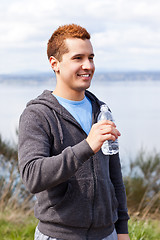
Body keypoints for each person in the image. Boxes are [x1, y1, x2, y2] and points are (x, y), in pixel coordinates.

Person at [18, 24, 130, 240]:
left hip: (108, 234)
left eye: (91, 57)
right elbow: (33, 176)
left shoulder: (102, 110)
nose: (88, 65)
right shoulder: (37, 115)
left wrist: (122, 229)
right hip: (59, 235)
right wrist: (86, 146)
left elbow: (114, 177)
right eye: (78, 58)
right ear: (55, 63)